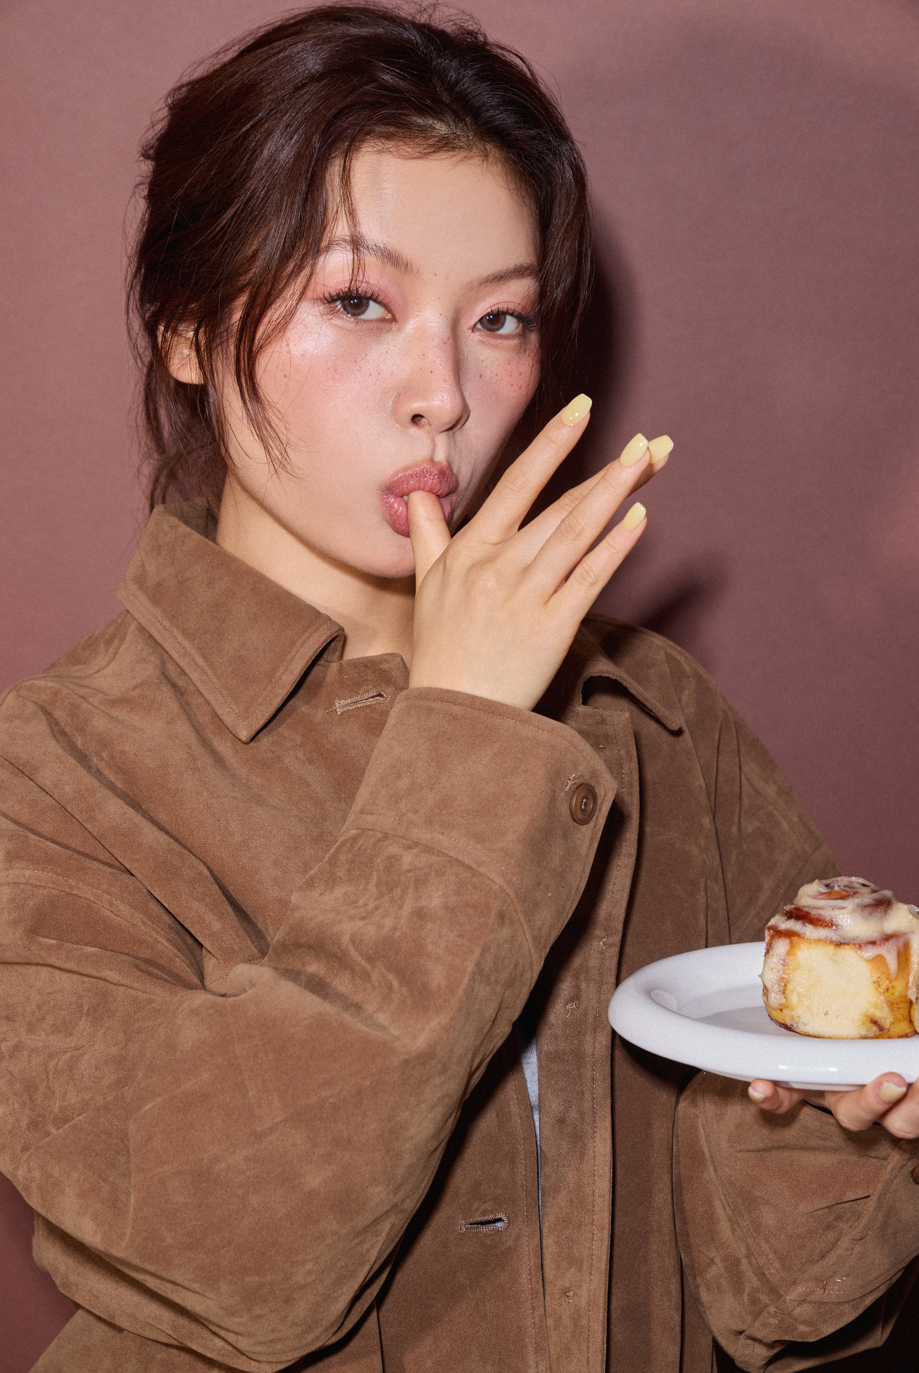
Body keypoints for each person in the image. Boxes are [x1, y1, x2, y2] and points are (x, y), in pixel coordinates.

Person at [1, 7, 918, 1372]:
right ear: (187, 324)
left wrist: (848, 1125)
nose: (442, 392)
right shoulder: (51, 774)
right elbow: (236, 1263)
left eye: (499, 319)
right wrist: (469, 739)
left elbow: (784, 1311)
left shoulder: (654, 717)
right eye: (357, 301)